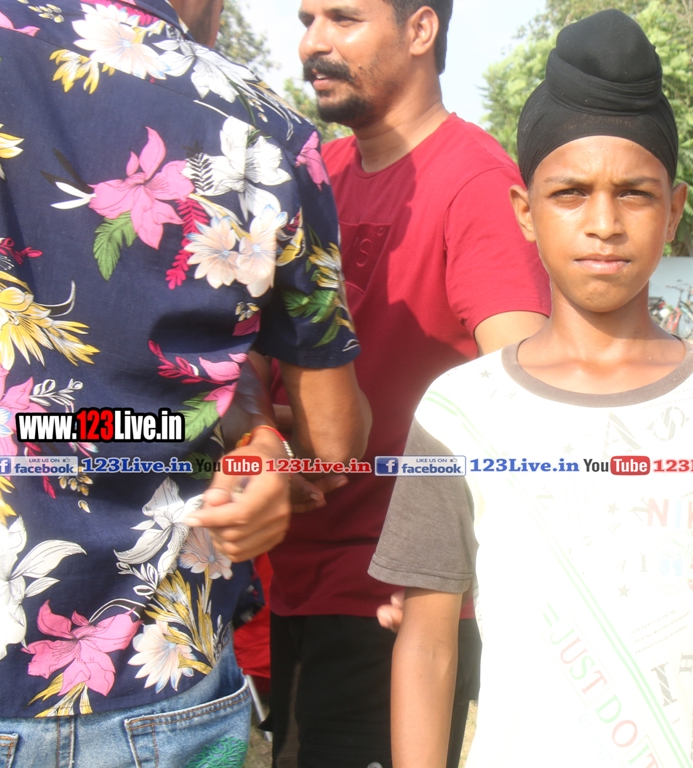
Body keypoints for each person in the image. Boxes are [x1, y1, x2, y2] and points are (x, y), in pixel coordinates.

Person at [373, 11, 693, 767]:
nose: (604, 223)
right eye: (570, 192)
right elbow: (427, 647)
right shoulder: (461, 416)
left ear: (674, 210)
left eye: (635, 194)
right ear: (525, 213)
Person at [0, 1, 370, 765]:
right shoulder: (262, 126)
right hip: (159, 677)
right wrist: (257, 441)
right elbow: (333, 441)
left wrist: (250, 430)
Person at [269, 2, 552, 766]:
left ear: (420, 31)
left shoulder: (476, 182)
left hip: (394, 601)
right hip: (285, 578)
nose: (313, 43)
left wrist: (448, 572)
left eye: (343, 18)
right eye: (307, 19)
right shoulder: (315, 178)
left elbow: (527, 394)